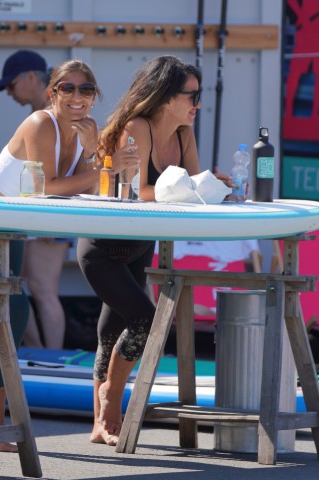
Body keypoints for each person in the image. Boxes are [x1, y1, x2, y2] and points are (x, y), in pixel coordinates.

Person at [0, 59, 128, 452]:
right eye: (68, 88)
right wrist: (105, 169)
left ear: (94, 96)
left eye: (86, 89)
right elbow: (45, 189)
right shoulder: (39, 124)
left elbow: (89, 189)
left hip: (9, 231)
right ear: (52, 93)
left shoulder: (86, 130)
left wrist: (96, 156)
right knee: (12, 306)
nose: (77, 97)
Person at [77, 55, 222, 446]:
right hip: (102, 246)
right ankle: (111, 397)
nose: (197, 104)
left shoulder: (184, 134)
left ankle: (101, 423)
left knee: (111, 332)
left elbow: (194, 189)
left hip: (140, 243)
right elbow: (137, 192)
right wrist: (194, 191)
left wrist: (217, 187)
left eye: (199, 95)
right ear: (165, 96)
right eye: (191, 95)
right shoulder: (136, 127)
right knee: (145, 320)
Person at [0, 49, 69, 350]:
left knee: (43, 289)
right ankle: (35, 352)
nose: (9, 93)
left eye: (11, 85)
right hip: (36, 209)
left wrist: (50, 216)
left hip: (50, 209)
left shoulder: (55, 110)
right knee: (19, 286)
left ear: (29, 78)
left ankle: (53, 359)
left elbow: (66, 164)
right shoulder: (43, 112)